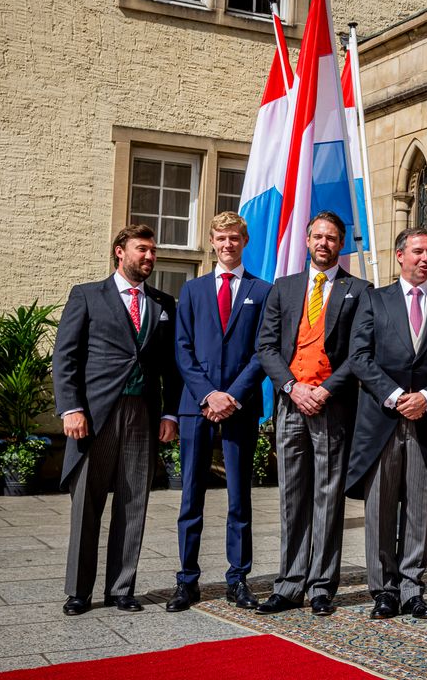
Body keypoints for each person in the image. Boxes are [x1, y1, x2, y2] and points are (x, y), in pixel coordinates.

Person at [53, 224, 181, 616]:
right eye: (142, 249)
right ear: (119, 251)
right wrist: (71, 408)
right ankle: (78, 591)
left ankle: (121, 588)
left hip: (142, 413)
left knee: (133, 501)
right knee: (86, 504)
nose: (150, 257)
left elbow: (171, 366)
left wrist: (170, 413)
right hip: (95, 415)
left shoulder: (162, 303)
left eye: (153, 251)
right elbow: (66, 356)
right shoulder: (87, 295)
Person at [347, 227, 427, 621]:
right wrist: (397, 396)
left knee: (420, 507)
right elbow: (359, 357)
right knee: (380, 507)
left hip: (426, 421)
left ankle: (413, 588)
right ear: (400, 255)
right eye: (418, 251)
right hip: (383, 419)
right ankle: (384, 591)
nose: (426, 258)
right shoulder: (374, 300)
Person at [255, 211, 371, 616]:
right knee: (292, 495)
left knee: (328, 496)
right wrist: (292, 387)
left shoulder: (359, 290)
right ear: (307, 241)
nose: (324, 243)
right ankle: (289, 584)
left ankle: (321, 586)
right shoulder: (284, 288)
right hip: (292, 402)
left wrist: (324, 390)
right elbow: (266, 346)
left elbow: (360, 353)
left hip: (331, 404)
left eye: (332, 238)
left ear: (341, 244)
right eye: (318, 236)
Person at [166, 212, 271, 613]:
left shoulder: (262, 291)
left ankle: (238, 579)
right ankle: (186, 581)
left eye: (234, 238)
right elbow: (182, 349)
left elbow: (263, 351)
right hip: (197, 407)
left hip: (240, 408)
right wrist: (209, 395)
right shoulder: (192, 290)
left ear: (245, 241)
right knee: (190, 496)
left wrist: (232, 396)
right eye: (221, 238)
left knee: (239, 497)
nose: (228, 244)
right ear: (212, 241)